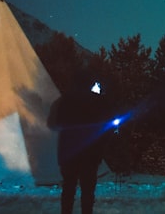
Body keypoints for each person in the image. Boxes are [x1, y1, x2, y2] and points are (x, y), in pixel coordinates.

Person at [47, 73, 116, 214]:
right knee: (88, 190)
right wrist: (102, 143)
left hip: (69, 151)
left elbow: (53, 124)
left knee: (68, 188)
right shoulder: (100, 102)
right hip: (92, 152)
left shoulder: (64, 101)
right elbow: (110, 125)